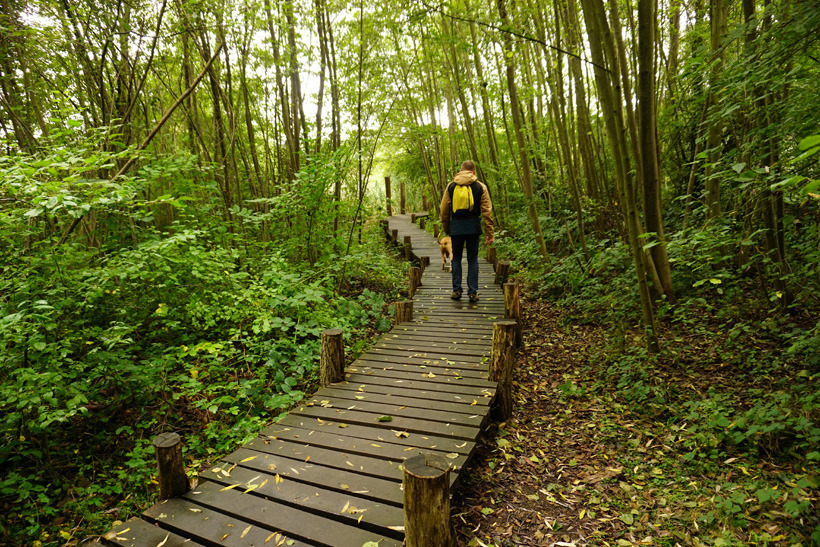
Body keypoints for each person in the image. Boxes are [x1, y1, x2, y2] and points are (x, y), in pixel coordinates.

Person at [439, 160, 494, 302]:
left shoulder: (451, 186)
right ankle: (472, 292)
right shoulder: (480, 187)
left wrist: (447, 228)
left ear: (461, 171)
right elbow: (487, 211)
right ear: (473, 172)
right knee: (472, 259)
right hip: (473, 227)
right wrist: (490, 233)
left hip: (456, 227)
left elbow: (444, 209)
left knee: (456, 259)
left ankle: (456, 291)